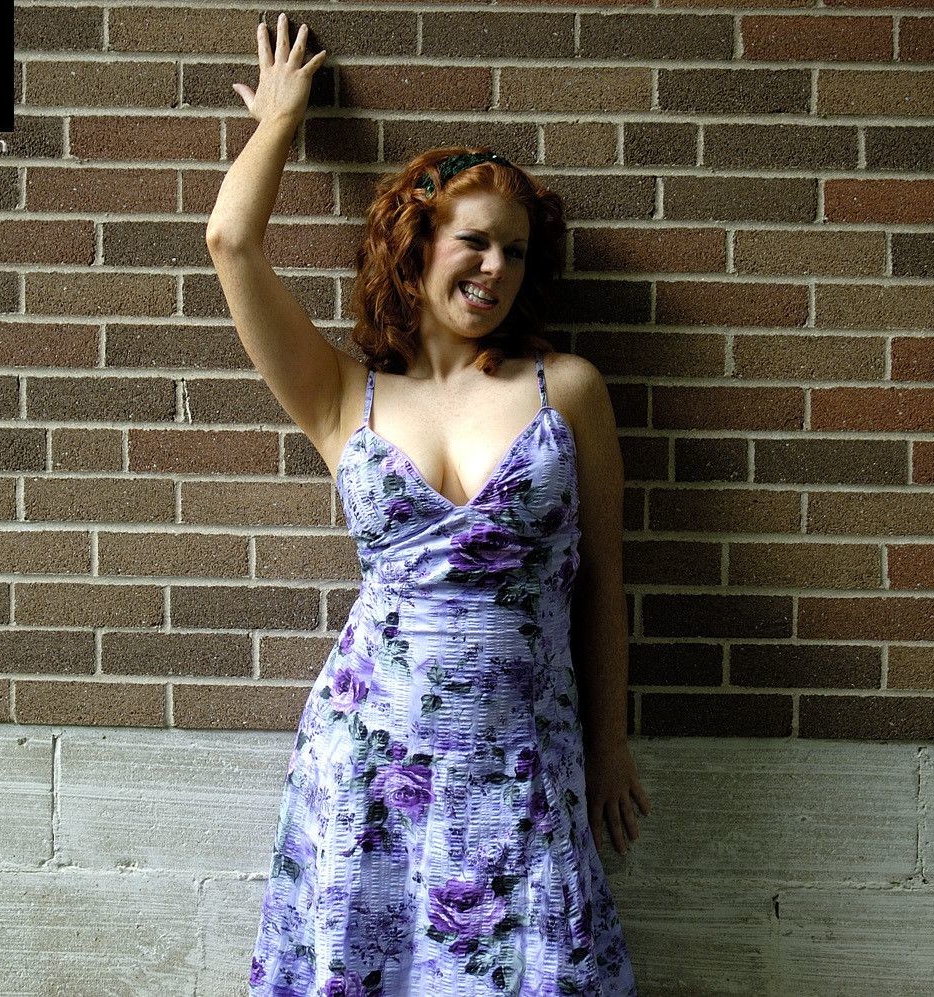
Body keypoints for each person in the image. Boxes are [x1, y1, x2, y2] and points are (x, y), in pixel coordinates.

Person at [205, 12, 653, 995]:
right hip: (371, 759)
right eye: (476, 242)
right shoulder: (343, 396)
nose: (496, 269)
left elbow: (604, 581)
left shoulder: (566, 390)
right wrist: (280, 122)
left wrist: (610, 745)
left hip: (524, 761)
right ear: (417, 243)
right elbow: (231, 242)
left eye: (517, 253)